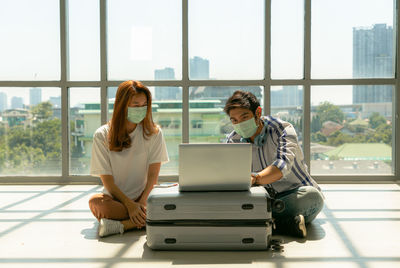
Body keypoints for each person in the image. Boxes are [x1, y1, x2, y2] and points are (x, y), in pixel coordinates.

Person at [224, 90, 324, 238]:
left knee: (312, 197)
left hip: (293, 195)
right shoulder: (233, 140)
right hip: (261, 198)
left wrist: (255, 179)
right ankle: (284, 224)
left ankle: (259, 220)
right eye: (234, 121)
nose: (240, 124)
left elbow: (282, 166)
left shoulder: (283, 129)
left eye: (244, 117)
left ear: (258, 113)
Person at [88, 80, 169, 237]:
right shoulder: (102, 135)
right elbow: (108, 182)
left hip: (145, 196)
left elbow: (153, 176)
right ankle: (147, 219)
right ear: (122, 106)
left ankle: (125, 225)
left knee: (172, 201)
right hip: (116, 199)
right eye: (136, 105)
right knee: (96, 203)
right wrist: (129, 205)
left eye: (144, 105)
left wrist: (141, 202)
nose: (141, 110)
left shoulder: (154, 133)